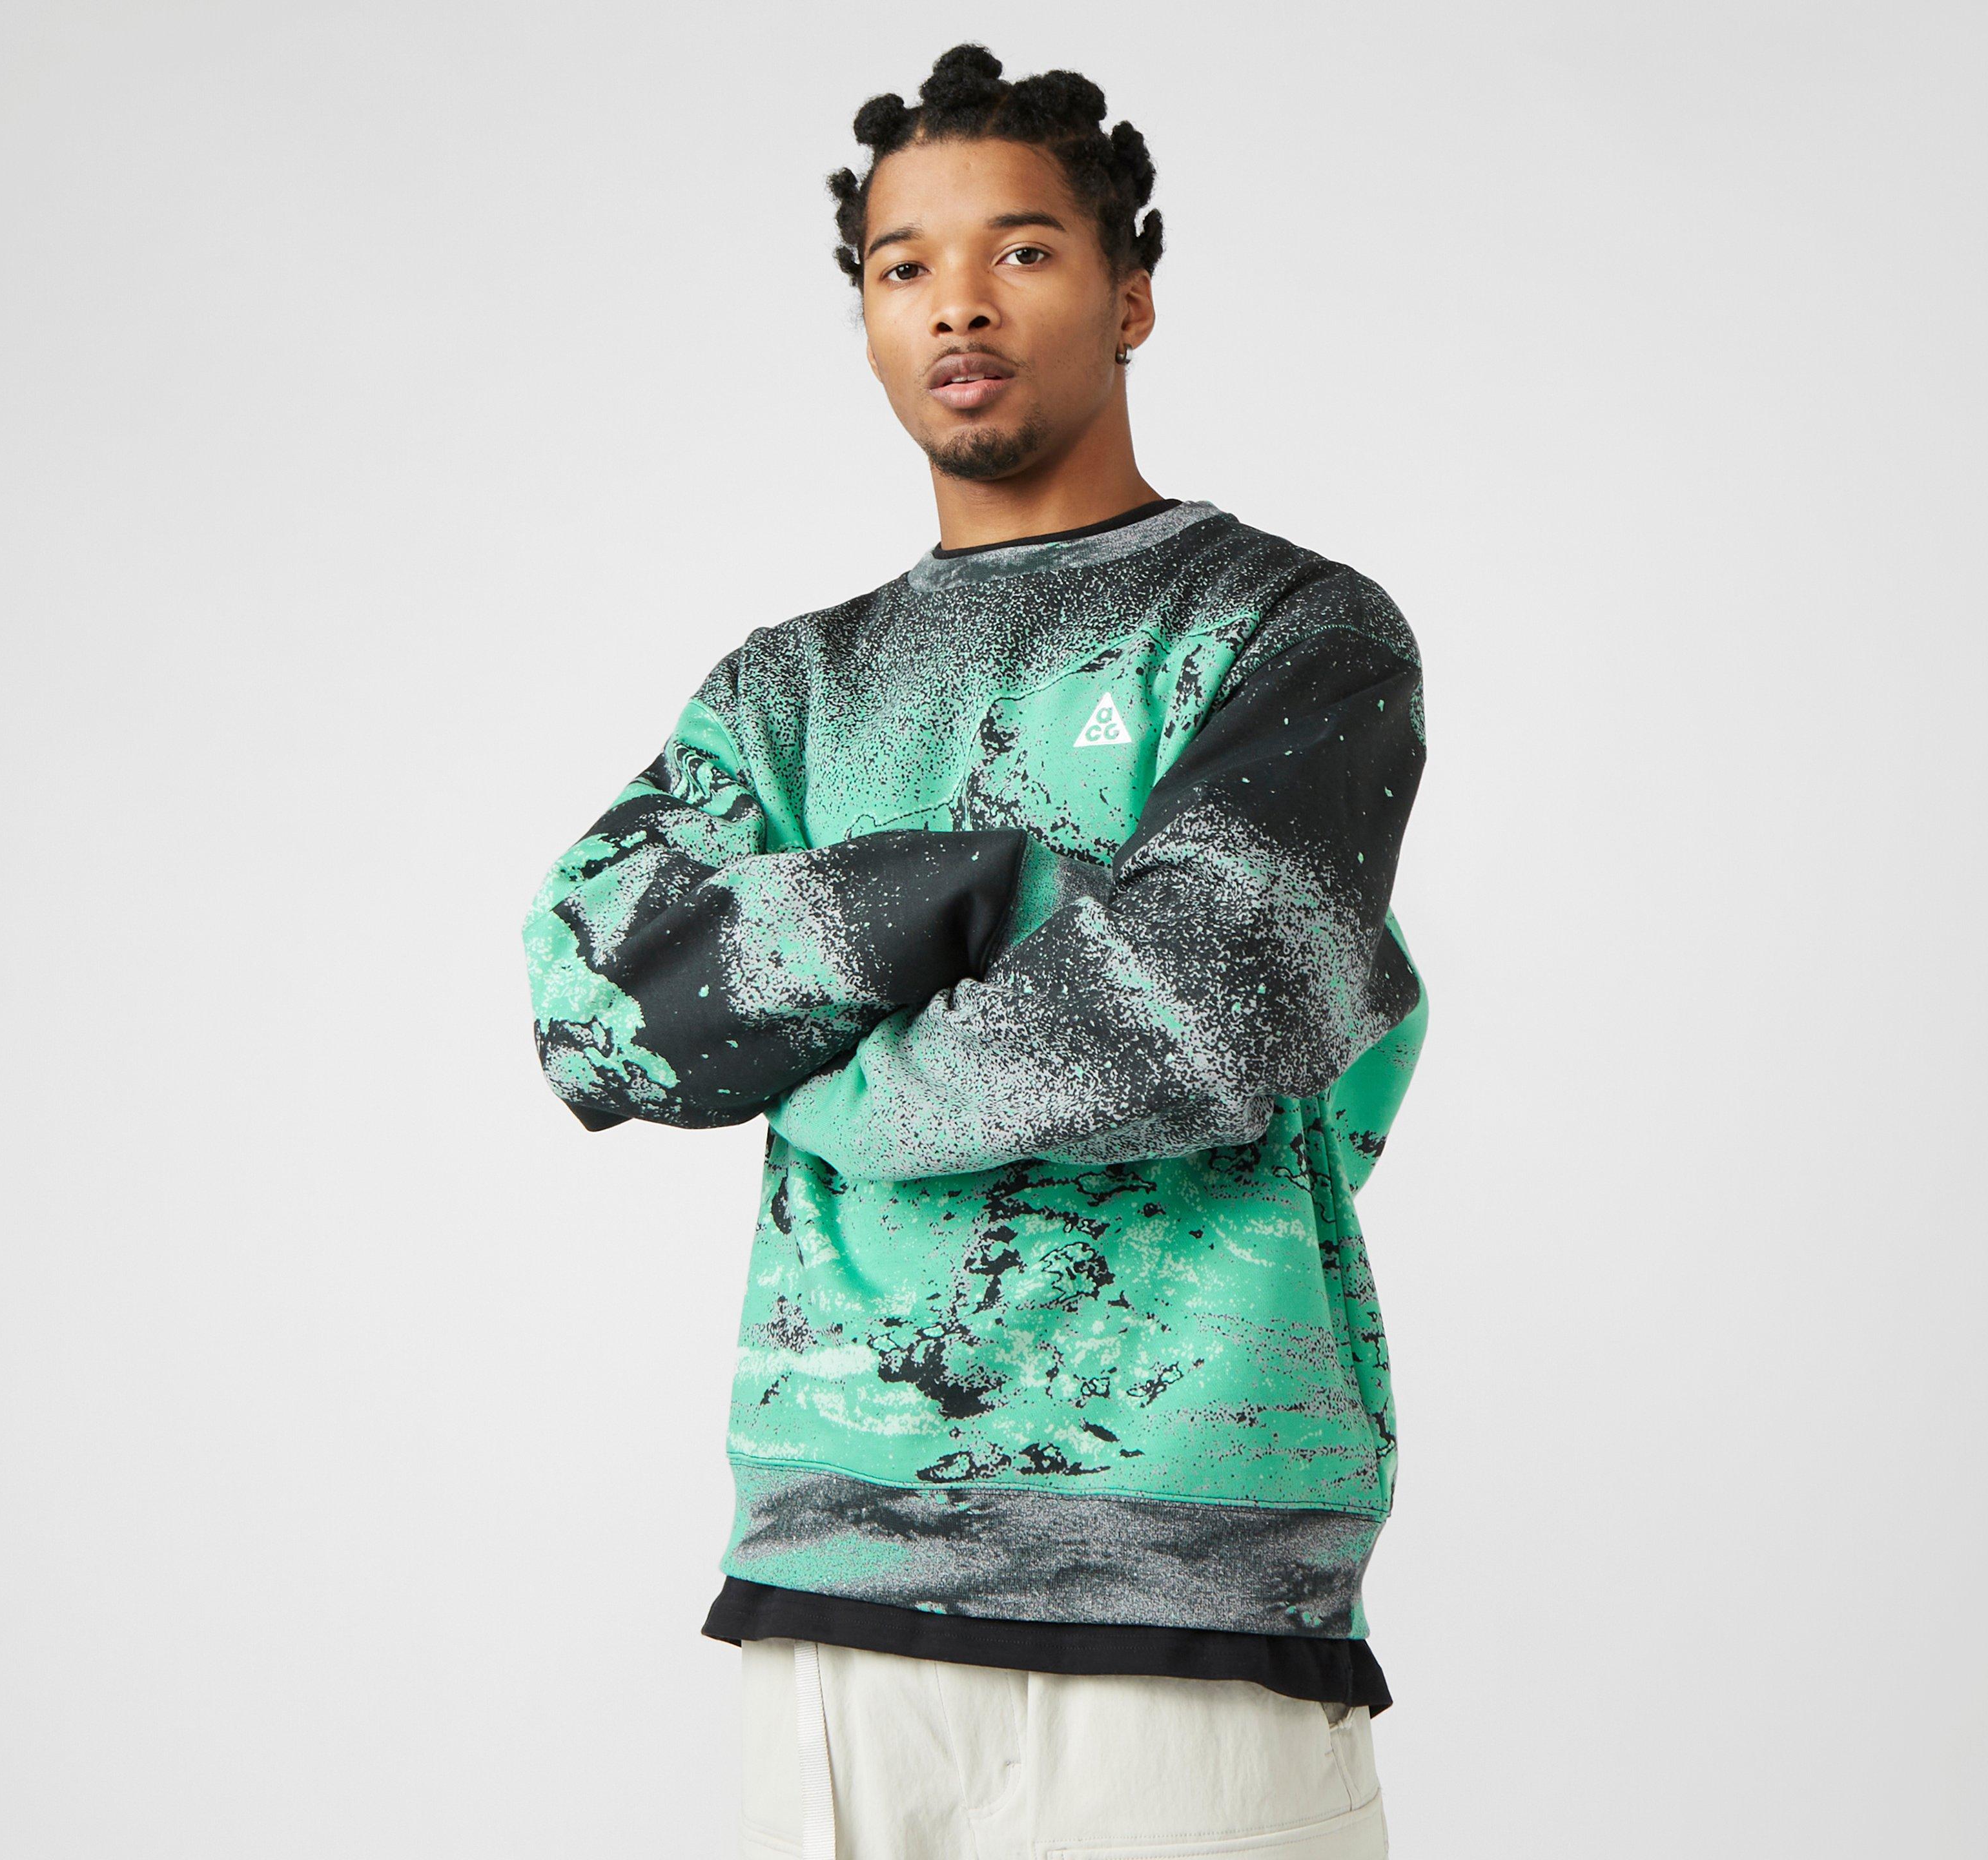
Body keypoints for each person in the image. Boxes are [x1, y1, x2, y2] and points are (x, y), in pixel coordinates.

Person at [523, 43, 1426, 1859]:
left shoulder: (1291, 628)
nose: (959, 304)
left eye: (1022, 250)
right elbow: (598, 1010)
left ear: (1131, 292)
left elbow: (1209, 1009)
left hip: (1198, 1576)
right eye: (903, 265)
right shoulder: (788, 690)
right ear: (866, 317)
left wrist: (830, 1080)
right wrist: (967, 892)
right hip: (839, 1582)